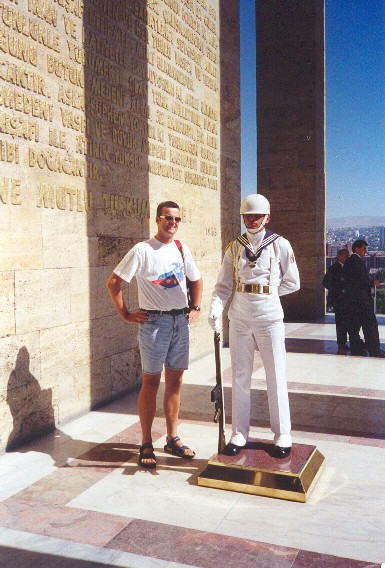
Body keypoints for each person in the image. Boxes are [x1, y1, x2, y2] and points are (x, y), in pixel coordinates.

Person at [107, 201, 203, 468]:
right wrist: (126, 314)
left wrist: (195, 307)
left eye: (177, 219)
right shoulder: (143, 250)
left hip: (179, 323)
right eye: (167, 218)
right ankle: (146, 441)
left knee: (175, 383)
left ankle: (172, 438)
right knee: (150, 383)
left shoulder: (181, 248)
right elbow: (114, 282)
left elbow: (196, 279)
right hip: (154, 325)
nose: (172, 223)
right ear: (157, 219)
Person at [208, 194, 300, 458]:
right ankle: (239, 431)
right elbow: (224, 284)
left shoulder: (280, 244)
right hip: (239, 315)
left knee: (275, 374)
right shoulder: (234, 247)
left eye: (257, 216)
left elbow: (293, 282)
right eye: (247, 216)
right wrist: (216, 307)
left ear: (267, 218)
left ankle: (283, 433)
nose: (252, 220)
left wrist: (268, 294)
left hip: (269, 316)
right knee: (239, 375)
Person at [343, 239, 385, 358]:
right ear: (357, 248)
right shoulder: (356, 261)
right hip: (361, 300)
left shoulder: (351, 261)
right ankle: (374, 350)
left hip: (354, 300)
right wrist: (373, 282)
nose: (365, 251)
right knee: (370, 325)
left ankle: (357, 349)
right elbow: (361, 279)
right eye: (364, 249)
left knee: (355, 325)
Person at [322, 249, 351, 353]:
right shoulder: (334, 268)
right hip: (339, 300)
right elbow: (325, 282)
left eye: (348, 256)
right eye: (345, 256)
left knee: (347, 322)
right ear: (339, 256)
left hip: (347, 300)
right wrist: (337, 290)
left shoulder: (348, 267)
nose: (347, 258)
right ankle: (341, 344)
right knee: (340, 323)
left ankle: (345, 343)